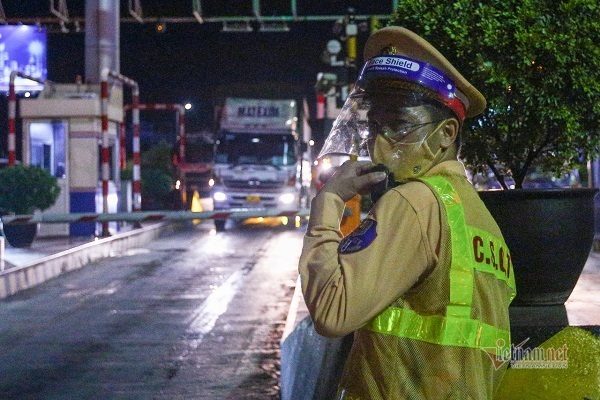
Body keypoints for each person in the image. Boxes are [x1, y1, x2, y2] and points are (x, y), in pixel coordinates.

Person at [298, 26, 516, 399]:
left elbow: (332, 312)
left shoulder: (412, 203)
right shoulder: (479, 217)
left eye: (398, 124)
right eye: (375, 125)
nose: (379, 142)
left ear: (447, 133)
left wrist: (329, 201)